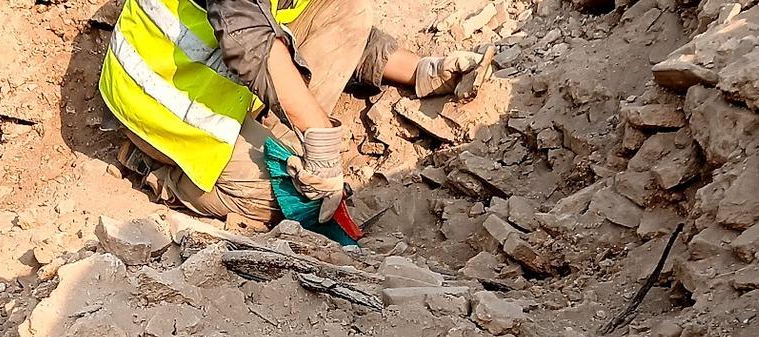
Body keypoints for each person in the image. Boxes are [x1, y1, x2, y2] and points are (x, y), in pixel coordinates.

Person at [99, 0, 485, 224]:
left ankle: (280, 131)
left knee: (350, 6)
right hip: (164, 94)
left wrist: (419, 70)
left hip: (233, 76)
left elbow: (319, 17)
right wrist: (318, 138)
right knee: (280, 201)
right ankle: (163, 175)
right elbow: (248, 38)